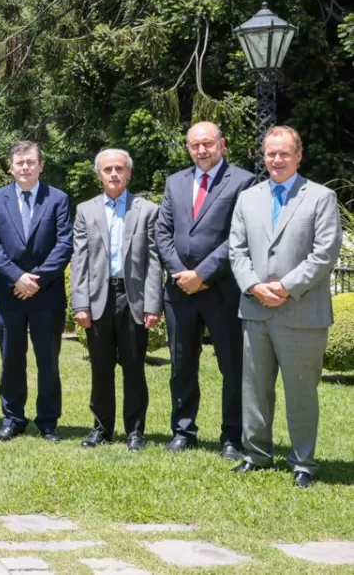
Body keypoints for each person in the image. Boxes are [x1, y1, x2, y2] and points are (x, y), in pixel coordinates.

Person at [228, 125, 341, 488]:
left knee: (301, 392)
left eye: (284, 153)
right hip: (256, 308)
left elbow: (324, 252)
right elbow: (237, 250)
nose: (276, 159)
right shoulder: (248, 198)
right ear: (264, 157)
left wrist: (286, 286)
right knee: (255, 390)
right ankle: (256, 455)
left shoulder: (320, 197)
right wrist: (254, 285)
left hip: (302, 314)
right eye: (270, 153)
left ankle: (303, 462)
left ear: (298, 155)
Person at [155, 121, 257, 459]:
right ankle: (183, 431)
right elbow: (162, 233)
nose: (202, 150)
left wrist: (203, 273)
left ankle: (232, 437)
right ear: (187, 147)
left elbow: (239, 238)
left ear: (222, 145)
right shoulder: (175, 182)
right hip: (180, 291)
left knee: (232, 366)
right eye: (195, 145)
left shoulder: (243, 181)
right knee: (182, 363)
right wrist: (181, 273)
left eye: (208, 144)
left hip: (222, 290)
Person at [70, 149, 162, 450]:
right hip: (98, 298)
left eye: (119, 169)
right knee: (101, 366)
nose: (113, 174)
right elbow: (80, 259)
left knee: (134, 366)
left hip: (132, 297)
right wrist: (80, 304)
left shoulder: (147, 209)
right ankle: (101, 428)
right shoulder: (86, 210)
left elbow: (154, 261)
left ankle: (135, 431)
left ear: (129, 173)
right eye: (107, 169)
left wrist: (152, 304)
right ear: (99, 174)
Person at [0, 140, 73, 442]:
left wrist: (35, 279)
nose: (25, 167)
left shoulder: (58, 199)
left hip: (46, 296)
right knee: (11, 360)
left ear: (40, 165)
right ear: (11, 167)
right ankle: (13, 418)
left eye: (31, 162)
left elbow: (64, 245)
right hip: (9, 294)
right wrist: (15, 277)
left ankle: (48, 422)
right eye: (20, 163)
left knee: (47, 360)